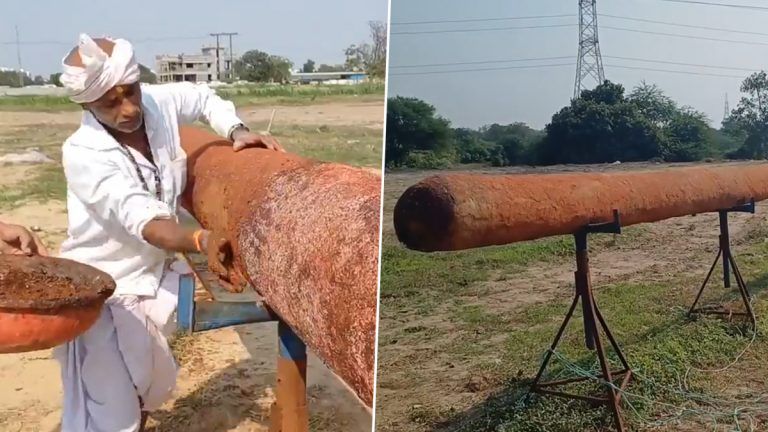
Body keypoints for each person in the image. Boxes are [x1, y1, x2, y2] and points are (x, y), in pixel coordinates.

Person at [55, 34, 283, 432]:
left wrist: (236, 130)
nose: (128, 109)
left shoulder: (156, 104)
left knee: (149, 381)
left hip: (154, 273)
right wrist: (200, 240)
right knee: (111, 405)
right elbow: (140, 218)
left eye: (132, 93)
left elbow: (202, 97)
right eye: (111, 103)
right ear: (87, 104)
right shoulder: (83, 152)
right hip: (105, 282)